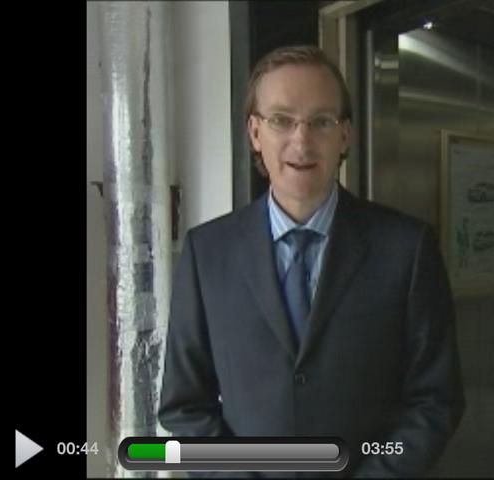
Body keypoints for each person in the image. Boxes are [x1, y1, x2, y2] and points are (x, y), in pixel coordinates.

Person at [158, 45, 465, 477]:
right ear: (255, 133)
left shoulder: (407, 249)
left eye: (321, 121)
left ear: (345, 135)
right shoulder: (207, 253)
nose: (301, 142)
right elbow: (185, 407)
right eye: (281, 120)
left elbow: (434, 401)